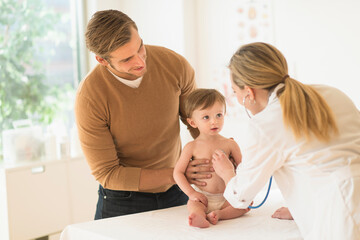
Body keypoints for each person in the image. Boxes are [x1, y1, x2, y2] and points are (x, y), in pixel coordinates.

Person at [211, 42, 360, 239]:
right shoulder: (331, 93)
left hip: (343, 214)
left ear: (249, 92)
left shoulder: (265, 124)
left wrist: (227, 173)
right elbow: (323, 160)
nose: (238, 99)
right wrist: (299, 207)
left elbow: (241, 197)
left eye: (235, 92)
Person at [75, 9, 209, 219]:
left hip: (176, 191)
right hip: (122, 200)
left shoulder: (174, 65)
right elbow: (107, 173)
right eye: (127, 59)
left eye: (140, 48)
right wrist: (178, 173)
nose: (140, 62)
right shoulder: (90, 97)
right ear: (102, 60)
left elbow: (197, 122)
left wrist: (216, 149)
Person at [173, 89, 249, 228]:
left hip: (227, 195)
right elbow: (177, 173)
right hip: (203, 196)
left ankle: (220, 215)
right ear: (193, 122)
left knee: (242, 206)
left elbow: (245, 170)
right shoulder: (191, 147)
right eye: (206, 117)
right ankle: (199, 216)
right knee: (193, 204)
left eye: (219, 115)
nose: (214, 121)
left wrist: (244, 194)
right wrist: (192, 193)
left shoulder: (230, 144)